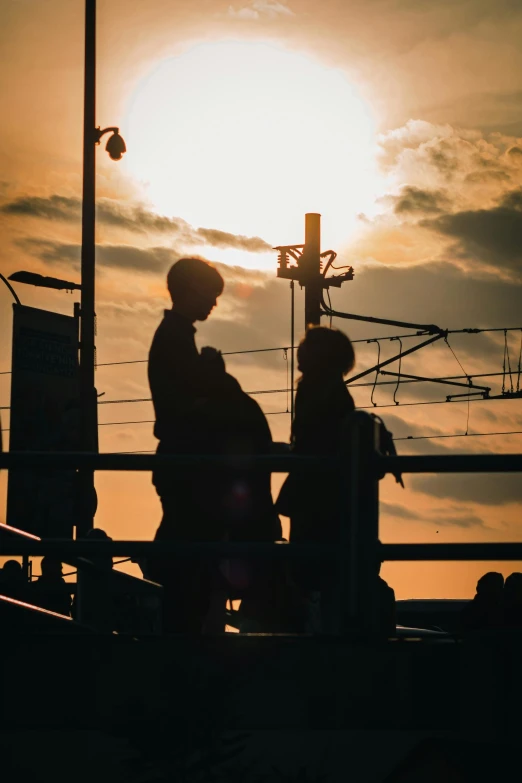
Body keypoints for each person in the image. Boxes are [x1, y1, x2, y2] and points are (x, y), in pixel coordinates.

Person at [148, 257, 281, 633]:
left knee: (190, 562)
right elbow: (184, 406)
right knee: (191, 565)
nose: (214, 303)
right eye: (210, 294)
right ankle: (188, 643)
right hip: (188, 466)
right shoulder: (175, 337)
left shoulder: (175, 334)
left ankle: (185, 635)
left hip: (183, 464)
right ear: (190, 290)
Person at [276, 326, 356, 632]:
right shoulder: (328, 391)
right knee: (316, 571)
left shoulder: (318, 393)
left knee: (309, 570)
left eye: (306, 347)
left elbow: (313, 446)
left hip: (315, 495)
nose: (300, 351)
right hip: (320, 495)